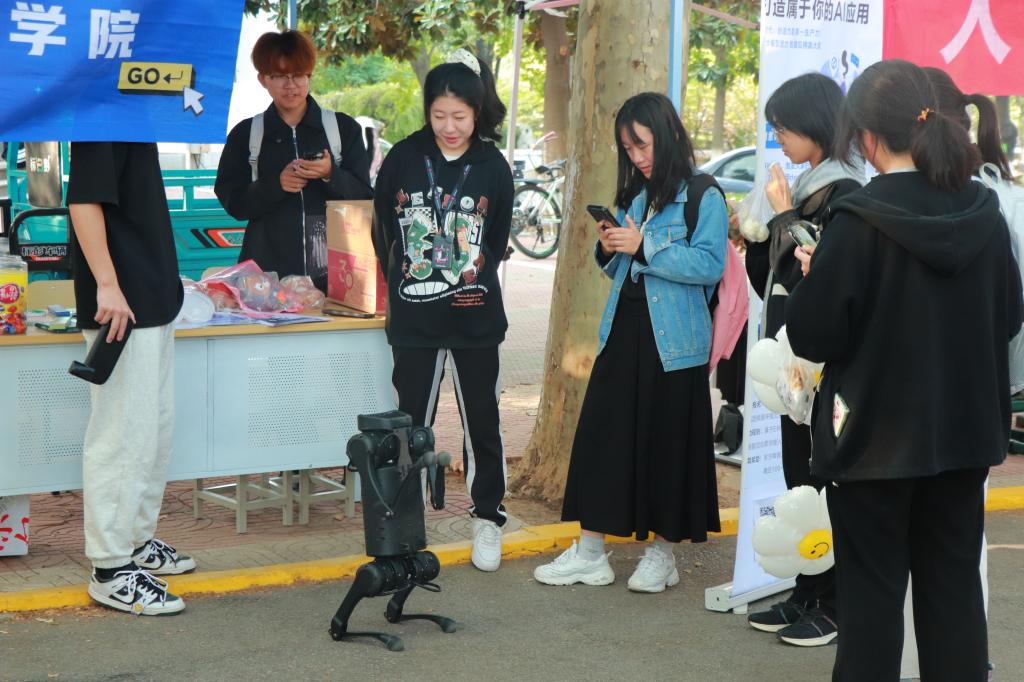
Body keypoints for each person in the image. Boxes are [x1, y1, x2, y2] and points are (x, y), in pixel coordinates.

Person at [785, 59, 1022, 681]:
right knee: (953, 597)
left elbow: (812, 334)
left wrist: (815, 279)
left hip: (873, 445)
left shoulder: (858, 221)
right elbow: (1010, 314)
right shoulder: (984, 212)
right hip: (965, 438)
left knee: (870, 607)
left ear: (864, 137)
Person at [533, 92, 727, 592]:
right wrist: (611, 247)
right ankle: (591, 552)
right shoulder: (638, 198)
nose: (637, 156)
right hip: (624, 330)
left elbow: (709, 266)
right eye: (628, 147)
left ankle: (662, 556)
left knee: (667, 446)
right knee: (602, 436)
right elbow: (624, 270)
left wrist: (645, 245)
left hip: (677, 342)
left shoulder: (705, 195)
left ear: (666, 135)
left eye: (641, 144)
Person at [370, 49, 513, 573]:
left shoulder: (492, 165)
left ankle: (487, 518)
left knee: (483, 422)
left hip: (476, 318)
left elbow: (495, 242)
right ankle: (404, 525)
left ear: (477, 113)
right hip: (415, 319)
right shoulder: (404, 158)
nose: (449, 128)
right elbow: (382, 230)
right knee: (409, 425)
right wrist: (408, 282)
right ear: (427, 111)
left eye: (460, 117)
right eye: (439, 116)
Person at [896, 65, 1012, 682]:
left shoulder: (880, 210)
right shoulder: (989, 205)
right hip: (972, 419)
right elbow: (1012, 309)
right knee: (961, 567)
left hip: (898, 426)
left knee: (905, 572)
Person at [743, 72, 864, 647]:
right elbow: (775, 273)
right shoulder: (808, 185)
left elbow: (817, 267)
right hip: (792, 360)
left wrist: (783, 218)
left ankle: (835, 600)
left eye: (783, 128)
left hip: (821, 362)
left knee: (822, 476)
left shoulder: (847, 192)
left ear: (816, 127)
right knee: (798, 476)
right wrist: (766, 230)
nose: (778, 138)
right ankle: (807, 587)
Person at [66, 142, 196, 615]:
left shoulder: (137, 116)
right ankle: (110, 568)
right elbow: (83, 201)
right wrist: (106, 284)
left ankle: (136, 545)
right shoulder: (104, 112)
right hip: (121, 309)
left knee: (152, 433)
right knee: (122, 435)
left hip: (152, 302)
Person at [215, 29, 372, 293]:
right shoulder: (246, 135)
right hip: (265, 281)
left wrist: (330, 174)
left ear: (309, 75)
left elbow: (365, 197)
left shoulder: (342, 129)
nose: (292, 85)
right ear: (263, 79)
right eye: (280, 76)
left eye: (299, 75)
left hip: (336, 278)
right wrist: (276, 185)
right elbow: (233, 203)